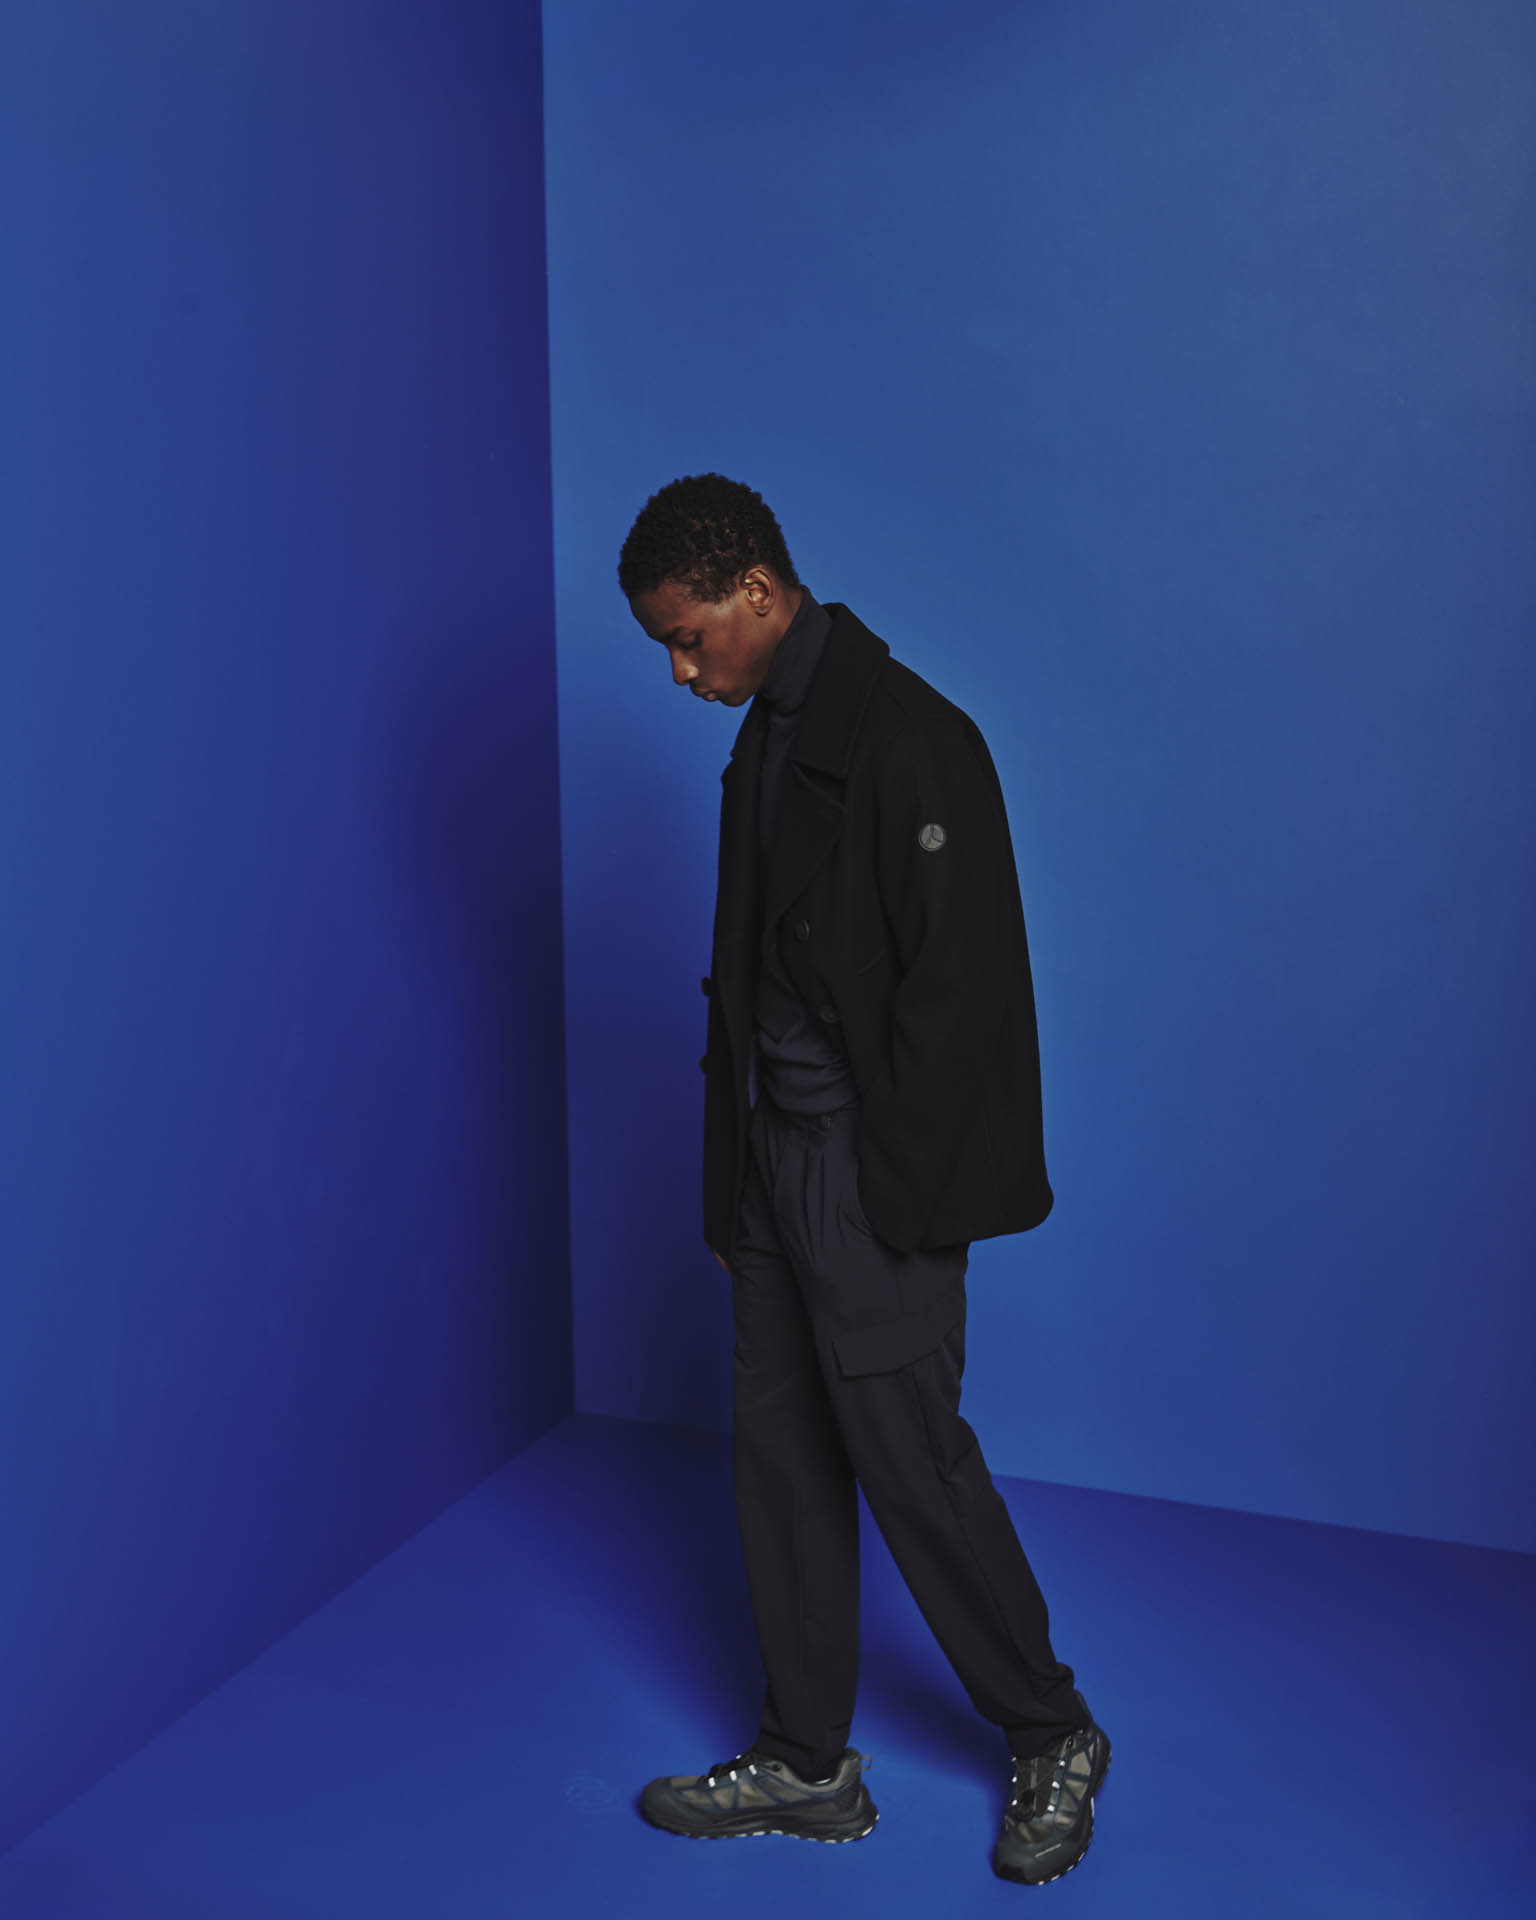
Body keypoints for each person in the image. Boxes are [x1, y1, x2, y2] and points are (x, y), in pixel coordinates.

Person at [618, 472, 1110, 1886]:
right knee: (778, 1458)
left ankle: (1054, 1730)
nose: (679, 669)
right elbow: (748, 978)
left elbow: (965, 1004)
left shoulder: (915, 737)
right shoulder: (767, 733)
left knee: (910, 1461)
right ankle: (806, 1760)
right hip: (771, 1165)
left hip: (868, 1173)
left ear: (758, 593)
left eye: (688, 637)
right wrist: (734, 1187)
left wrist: (896, 1208)